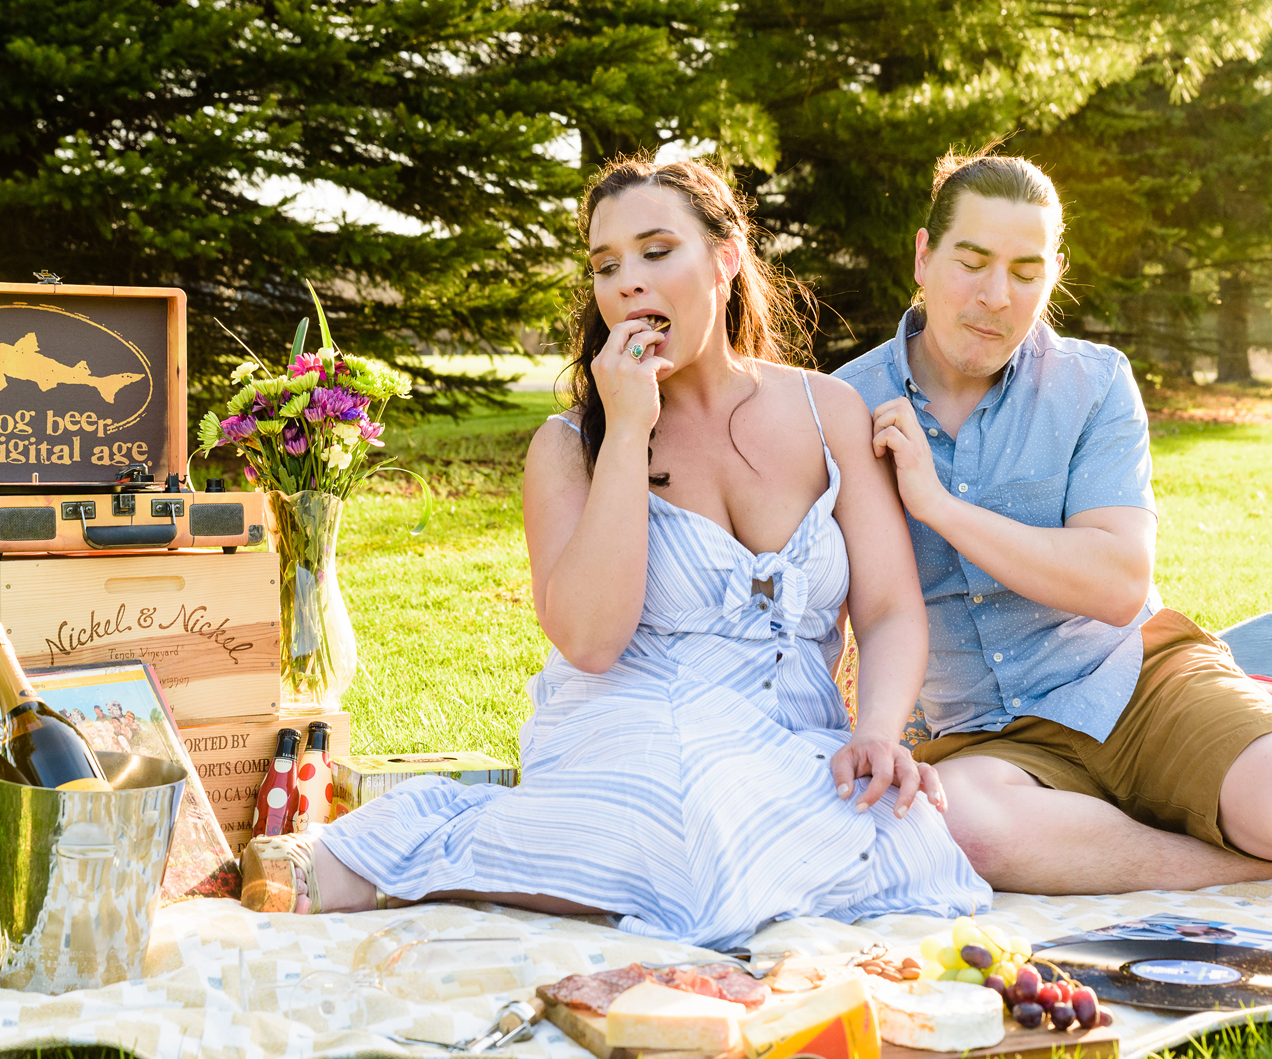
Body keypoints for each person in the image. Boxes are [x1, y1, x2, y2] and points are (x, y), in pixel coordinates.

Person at [239, 157, 990, 945]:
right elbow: (592, 641)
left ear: (727, 259)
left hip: (793, 740)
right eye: (606, 264)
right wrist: (628, 429)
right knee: (704, 818)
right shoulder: (569, 446)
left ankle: (514, 858)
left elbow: (890, 608)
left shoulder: (829, 409)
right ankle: (390, 855)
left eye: (657, 251)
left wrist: (874, 733)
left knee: (910, 846)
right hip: (636, 724)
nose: (627, 281)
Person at [835, 150, 1272, 894]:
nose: (996, 295)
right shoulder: (842, 403)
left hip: (1132, 681)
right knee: (964, 831)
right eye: (973, 261)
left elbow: (1119, 583)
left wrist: (940, 507)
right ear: (924, 257)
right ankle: (1265, 867)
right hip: (978, 733)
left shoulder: (1094, 382)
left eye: (1026, 271)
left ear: (1054, 273)